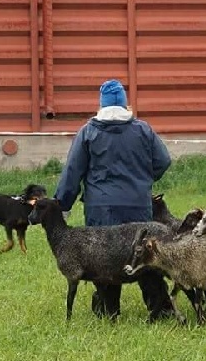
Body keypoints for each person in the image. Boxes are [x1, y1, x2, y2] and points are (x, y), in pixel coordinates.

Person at [54, 79, 174, 320]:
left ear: (102, 104)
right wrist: (143, 180)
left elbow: (72, 172)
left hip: (101, 208)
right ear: (124, 103)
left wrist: (62, 205)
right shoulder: (143, 129)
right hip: (138, 205)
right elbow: (163, 161)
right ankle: (160, 309)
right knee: (146, 256)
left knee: (104, 258)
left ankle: (108, 310)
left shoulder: (89, 132)